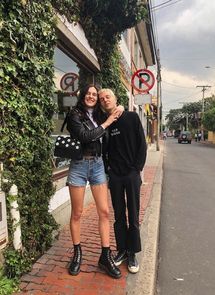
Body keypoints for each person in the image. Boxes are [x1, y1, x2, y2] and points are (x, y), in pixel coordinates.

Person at [66, 84, 122, 279]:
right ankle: (77, 253)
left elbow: (115, 110)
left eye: (94, 95)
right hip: (79, 166)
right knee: (77, 213)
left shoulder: (98, 115)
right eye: (88, 94)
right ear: (83, 96)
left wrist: (120, 108)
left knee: (105, 212)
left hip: (97, 166)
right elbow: (84, 136)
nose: (91, 96)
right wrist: (106, 123)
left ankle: (105, 256)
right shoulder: (75, 114)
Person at [98, 88, 147, 274]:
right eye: (102, 99)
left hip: (132, 174)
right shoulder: (105, 123)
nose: (104, 100)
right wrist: (108, 170)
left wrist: (137, 169)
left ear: (115, 98)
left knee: (133, 215)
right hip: (115, 176)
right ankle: (122, 250)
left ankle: (133, 252)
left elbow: (142, 144)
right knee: (119, 215)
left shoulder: (132, 118)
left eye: (107, 96)